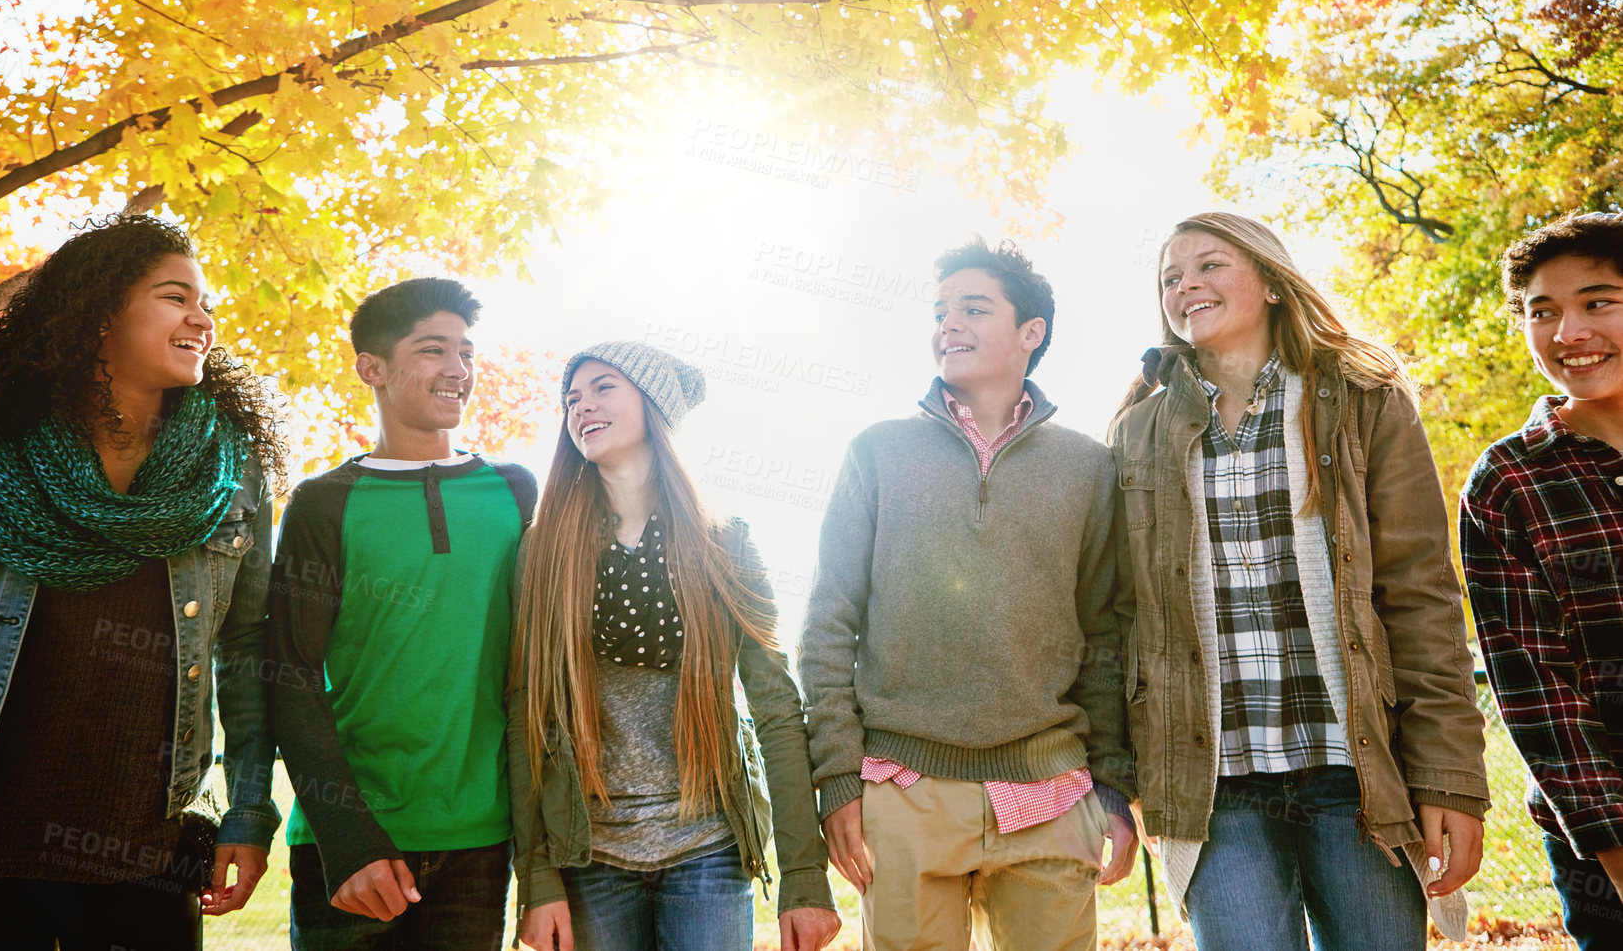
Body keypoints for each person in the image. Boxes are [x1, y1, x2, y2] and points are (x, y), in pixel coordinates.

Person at [0, 214, 283, 949]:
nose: (202, 319)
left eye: (207, 304)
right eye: (176, 297)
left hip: (147, 871)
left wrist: (250, 811)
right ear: (98, 315)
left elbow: (250, 653)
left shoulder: (229, 479)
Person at [1108, 211, 1489, 951]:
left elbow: (1419, 595)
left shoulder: (1362, 397)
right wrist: (1119, 780)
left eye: (1210, 265)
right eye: (1170, 277)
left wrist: (1449, 777)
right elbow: (1123, 617)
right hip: (1213, 785)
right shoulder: (1140, 431)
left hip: (1356, 776)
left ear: (1272, 282)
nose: (1187, 284)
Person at [799, 238, 1137, 951]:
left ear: (1030, 332)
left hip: (1051, 790)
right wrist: (838, 780)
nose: (948, 323)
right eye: (940, 310)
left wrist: (1111, 788)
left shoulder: (1088, 467)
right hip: (904, 790)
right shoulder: (876, 453)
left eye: (973, 308)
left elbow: (1107, 636)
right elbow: (829, 623)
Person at [510, 341, 840, 951]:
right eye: (572, 398)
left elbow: (776, 709)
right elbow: (525, 714)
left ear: (653, 403)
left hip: (707, 849)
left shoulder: (725, 544)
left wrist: (803, 876)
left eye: (604, 387)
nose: (582, 406)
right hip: (590, 854)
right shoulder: (545, 550)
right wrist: (536, 877)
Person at [267, 277, 536, 950]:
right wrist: (347, 838)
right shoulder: (324, 503)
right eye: (433, 350)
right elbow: (288, 672)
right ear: (373, 369)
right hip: (354, 840)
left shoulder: (513, 490)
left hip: (480, 837)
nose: (458, 370)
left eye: (466, 352)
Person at [1460, 212, 1623, 950]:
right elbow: (1536, 691)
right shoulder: (1508, 482)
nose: (1569, 333)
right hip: (1606, 845)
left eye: (1598, 302)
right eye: (1543, 312)